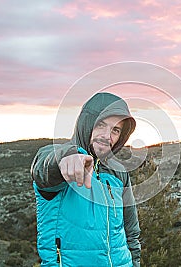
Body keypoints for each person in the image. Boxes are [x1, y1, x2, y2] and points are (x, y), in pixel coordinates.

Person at [31, 92, 141, 267]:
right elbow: (42, 169)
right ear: (87, 123)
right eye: (101, 125)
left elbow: (131, 233)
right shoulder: (62, 160)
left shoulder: (119, 173)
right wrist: (66, 157)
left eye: (116, 130)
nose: (107, 135)